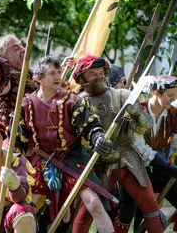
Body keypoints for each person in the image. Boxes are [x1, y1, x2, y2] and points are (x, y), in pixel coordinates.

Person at [14, 56, 114, 232]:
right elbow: (18, 142)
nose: (58, 76)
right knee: (29, 208)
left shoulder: (72, 100)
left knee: (94, 203)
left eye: (59, 72)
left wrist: (98, 137)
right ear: (39, 78)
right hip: (39, 162)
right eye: (52, 73)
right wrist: (13, 159)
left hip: (72, 159)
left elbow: (89, 125)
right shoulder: (25, 104)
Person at [71, 55, 164, 232]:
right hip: (97, 162)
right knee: (86, 212)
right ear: (82, 78)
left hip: (127, 157)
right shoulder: (78, 102)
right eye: (93, 74)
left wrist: (137, 113)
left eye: (100, 72)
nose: (98, 77)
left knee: (150, 206)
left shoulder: (123, 95)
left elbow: (144, 129)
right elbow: (76, 136)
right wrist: (93, 146)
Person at [116, 75, 177, 232]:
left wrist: (172, 164)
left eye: (176, 95)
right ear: (156, 93)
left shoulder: (173, 113)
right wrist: (169, 166)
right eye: (170, 95)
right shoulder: (138, 111)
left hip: (157, 169)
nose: (173, 99)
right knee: (127, 212)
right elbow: (139, 147)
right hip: (133, 169)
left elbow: (175, 141)